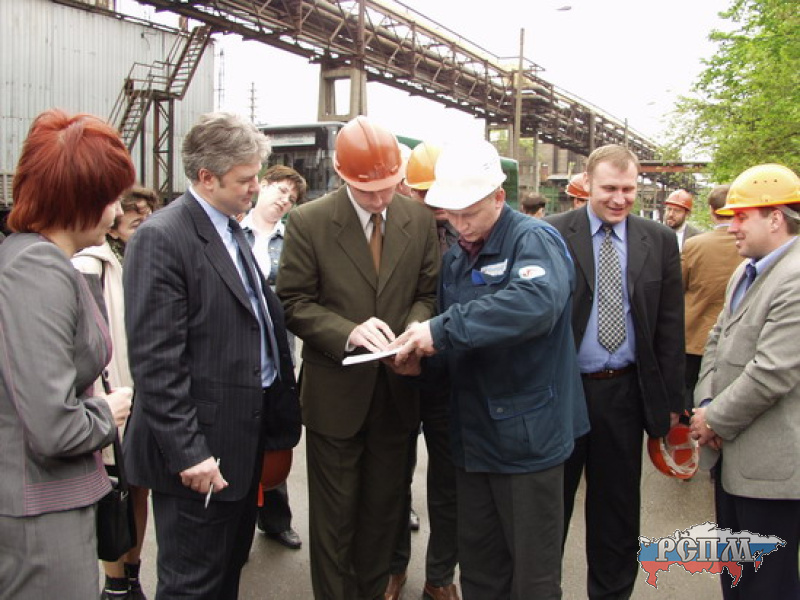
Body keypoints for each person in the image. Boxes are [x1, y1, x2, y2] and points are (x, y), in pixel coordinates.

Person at [392, 138, 588, 599]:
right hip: (473, 439)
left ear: (499, 198)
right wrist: (420, 366)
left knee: (533, 579)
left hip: (528, 441)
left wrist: (440, 330)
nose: (460, 225)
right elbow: (454, 347)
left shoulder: (532, 240)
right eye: (452, 215)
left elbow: (536, 304)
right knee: (481, 571)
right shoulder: (456, 259)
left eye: (470, 214)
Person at [122, 112, 301, 599]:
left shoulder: (229, 228)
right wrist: (189, 452)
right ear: (207, 177)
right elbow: (157, 363)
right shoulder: (163, 237)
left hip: (239, 446)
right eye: (245, 179)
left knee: (224, 576)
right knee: (192, 585)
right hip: (200, 456)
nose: (256, 188)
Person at [276, 115, 439, 600]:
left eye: (388, 186)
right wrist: (348, 332)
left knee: (383, 515)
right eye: (367, 191)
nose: (380, 199)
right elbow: (293, 302)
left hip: (397, 392)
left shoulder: (418, 219)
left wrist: (413, 330)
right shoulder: (309, 221)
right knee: (334, 521)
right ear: (341, 175)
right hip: (336, 397)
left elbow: (428, 293)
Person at [0, 109, 134, 599]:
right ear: (82, 199)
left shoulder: (31, 256)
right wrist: (106, 413)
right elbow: (53, 426)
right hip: (40, 513)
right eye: (111, 198)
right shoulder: (38, 269)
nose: (117, 212)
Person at [546, 144, 685, 600]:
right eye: (609, 188)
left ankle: (611, 593)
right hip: (563, 393)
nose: (620, 199)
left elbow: (669, 326)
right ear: (587, 183)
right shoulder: (551, 233)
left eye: (628, 189)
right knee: (550, 508)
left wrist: (671, 404)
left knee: (617, 513)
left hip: (623, 394)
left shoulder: (658, 240)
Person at [691, 163, 800, 599]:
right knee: (738, 580)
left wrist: (714, 420)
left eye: (740, 216)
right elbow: (717, 340)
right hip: (735, 462)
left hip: (771, 474)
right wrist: (706, 404)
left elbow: (772, 372)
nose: (730, 226)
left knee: (768, 586)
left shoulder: (794, 277)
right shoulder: (747, 269)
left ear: (774, 218)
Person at [73, 185, 158, 600]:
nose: (144, 224)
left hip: (144, 389)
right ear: (113, 223)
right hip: (113, 392)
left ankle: (134, 572)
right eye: (135, 218)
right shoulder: (91, 264)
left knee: (139, 486)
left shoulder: (145, 258)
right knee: (114, 490)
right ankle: (115, 582)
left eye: (148, 216)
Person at [387, 141, 460, 600]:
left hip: (450, 378)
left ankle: (439, 577)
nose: (435, 204)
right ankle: (393, 569)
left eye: (441, 192)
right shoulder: (389, 229)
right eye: (423, 194)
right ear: (405, 188)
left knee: (449, 484)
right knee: (393, 477)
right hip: (399, 372)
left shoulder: (470, 232)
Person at [241, 164, 307, 551]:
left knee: (275, 438)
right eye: (281, 190)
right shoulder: (232, 232)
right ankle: (239, 527)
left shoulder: (292, 240)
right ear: (262, 186)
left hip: (278, 353)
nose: (285, 200)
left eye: (292, 198)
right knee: (238, 442)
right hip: (237, 356)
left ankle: (276, 520)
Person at [681, 185, 742, 403]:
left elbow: (677, 287)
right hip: (736, 340)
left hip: (694, 338)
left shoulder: (694, 245)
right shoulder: (749, 246)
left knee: (689, 397)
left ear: (711, 211)